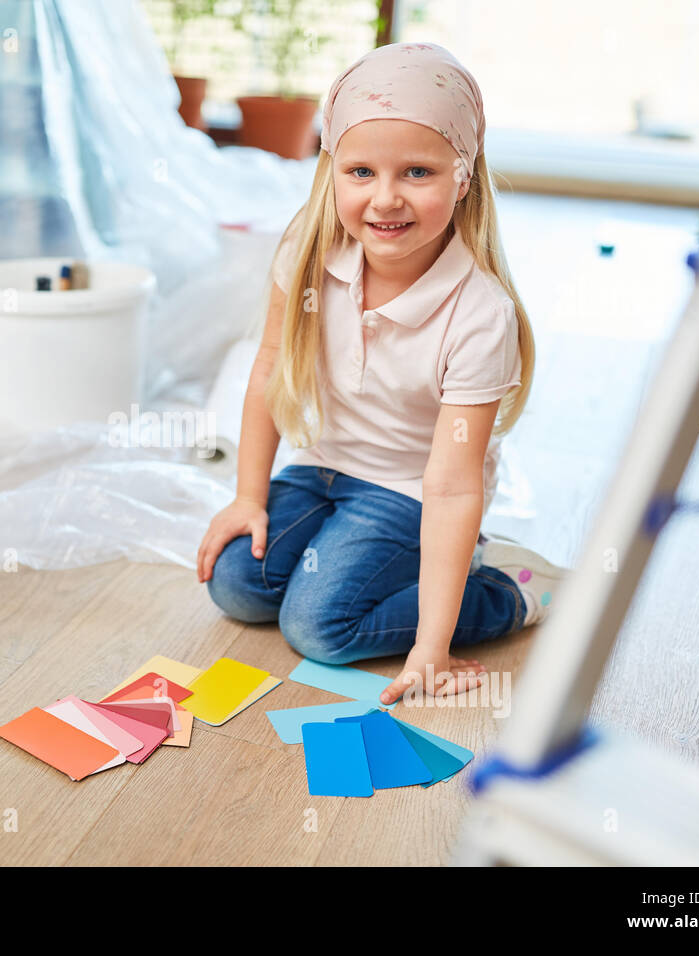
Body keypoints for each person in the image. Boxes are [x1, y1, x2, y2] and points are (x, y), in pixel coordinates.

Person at [197, 42, 566, 705]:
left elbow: (452, 485)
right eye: (361, 171)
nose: (385, 199)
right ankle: (395, 571)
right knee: (237, 586)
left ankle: (505, 589)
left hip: (411, 491)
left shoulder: (480, 313)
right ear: (331, 170)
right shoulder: (306, 252)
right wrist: (249, 496)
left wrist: (432, 647)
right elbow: (270, 369)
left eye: (417, 172)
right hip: (322, 469)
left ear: (463, 176)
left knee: (319, 626)